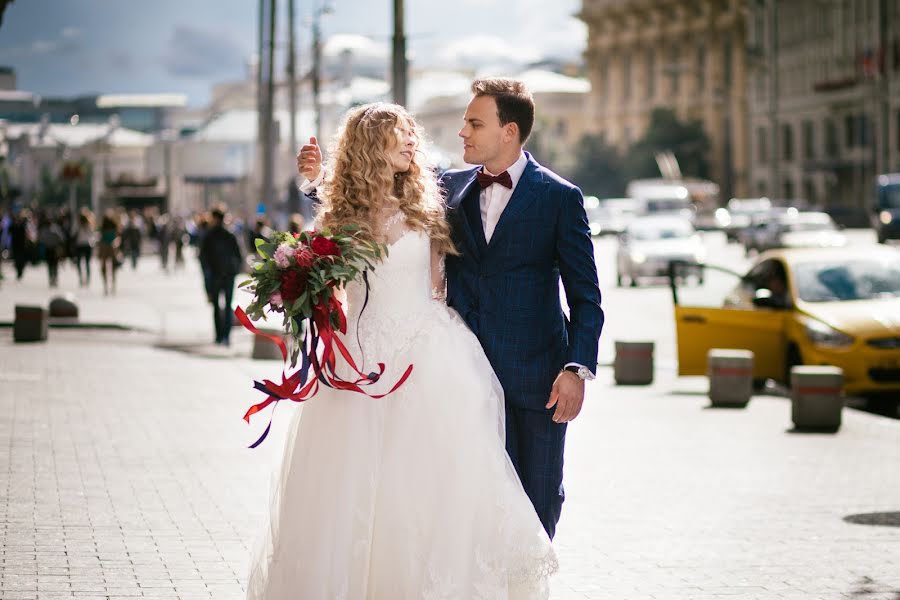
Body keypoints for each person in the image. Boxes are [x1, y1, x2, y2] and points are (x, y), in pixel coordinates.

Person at [248, 103, 556, 599]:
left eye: (412, 134)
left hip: (430, 350)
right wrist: (313, 193)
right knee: (358, 484)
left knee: (436, 483)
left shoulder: (430, 198)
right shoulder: (344, 214)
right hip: (363, 355)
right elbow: (330, 271)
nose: (412, 143)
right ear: (372, 147)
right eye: (399, 136)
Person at [297, 78, 604, 540]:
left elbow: (586, 296)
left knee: (538, 498)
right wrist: (317, 182)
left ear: (509, 131)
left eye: (474, 123)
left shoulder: (560, 197)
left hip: (535, 376)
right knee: (466, 502)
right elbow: (374, 202)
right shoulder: (446, 191)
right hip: (459, 376)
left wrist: (576, 369)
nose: (462, 132)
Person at [199, 205, 242, 346]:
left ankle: (219, 336)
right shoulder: (229, 235)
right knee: (227, 304)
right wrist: (234, 271)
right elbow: (238, 255)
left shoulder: (209, 236)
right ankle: (226, 336)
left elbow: (203, 258)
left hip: (216, 275)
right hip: (228, 275)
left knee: (217, 306)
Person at [97, 211, 121, 295]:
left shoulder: (103, 227)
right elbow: (118, 237)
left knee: (105, 267)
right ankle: (111, 285)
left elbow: (99, 238)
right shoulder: (113, 226)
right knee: (112, 268)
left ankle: (107, 285)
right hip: (111, 248)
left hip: (105, 248)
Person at [73, 209, 96, 286]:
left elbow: (73, 233)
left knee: (81, 263)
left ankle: (82, 278)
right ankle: (86, 278)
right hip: (86, 245)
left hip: (81, 245)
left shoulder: (80, 225)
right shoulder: (88, 225)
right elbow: (93, 235)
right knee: (86, 263)